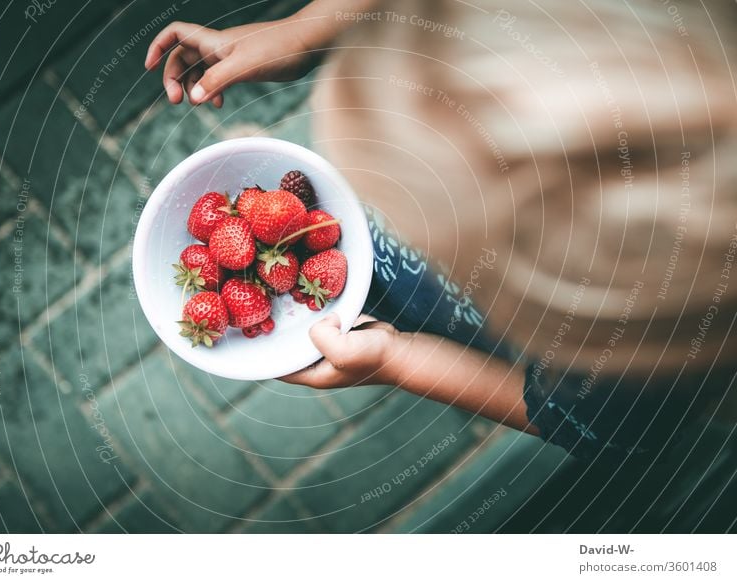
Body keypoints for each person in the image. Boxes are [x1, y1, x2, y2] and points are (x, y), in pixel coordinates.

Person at [144, 0, 737, 466]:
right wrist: (306, 30)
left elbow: (564, 415)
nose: (375, 212)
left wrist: (398, 357)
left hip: (427, 315)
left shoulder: (633, 377)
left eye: (444, 249)